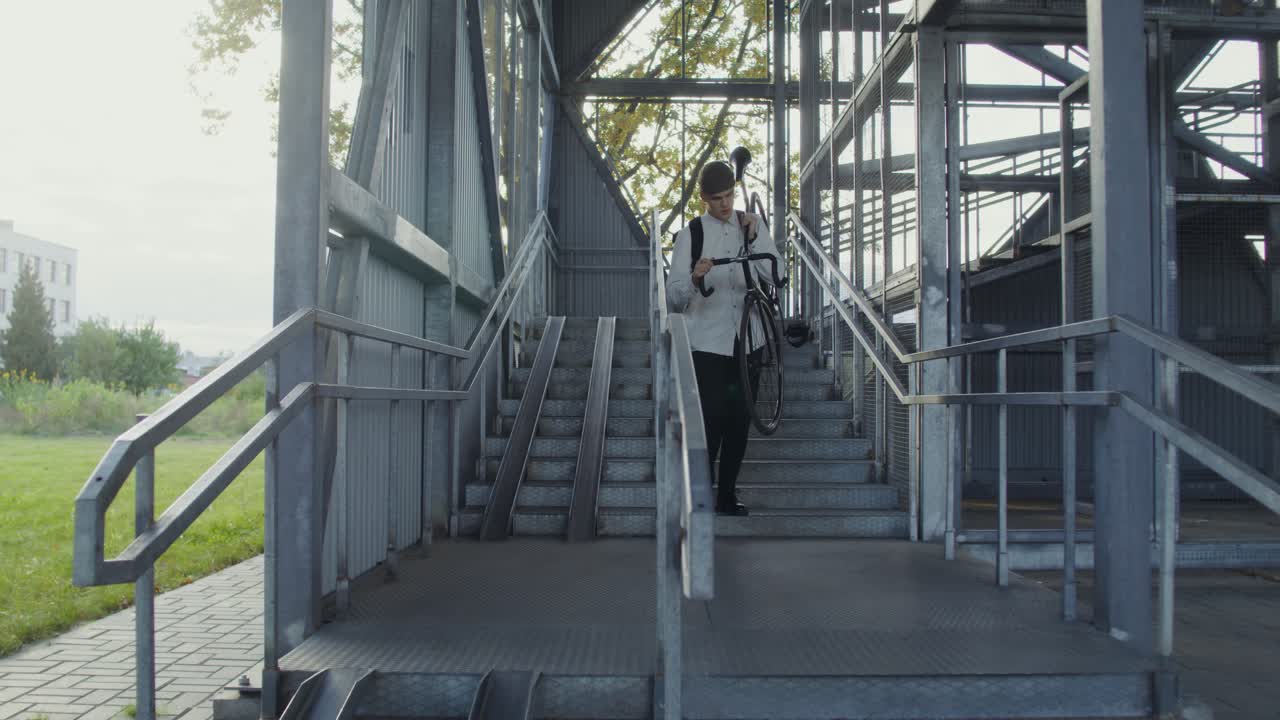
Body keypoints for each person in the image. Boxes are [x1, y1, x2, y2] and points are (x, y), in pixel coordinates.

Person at [667, 161, 786, 515]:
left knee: (739, 421)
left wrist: (754, 238)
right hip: (706, 342)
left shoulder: (752, 225)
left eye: (730, 195)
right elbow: (673, 297)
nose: (725, 204)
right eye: (717, 198)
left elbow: (777, 275)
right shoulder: (691, 233)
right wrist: (694, 276)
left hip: (749, 340)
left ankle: (727, 495)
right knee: (712, 419)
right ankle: (701, 492)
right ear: (703, 198)